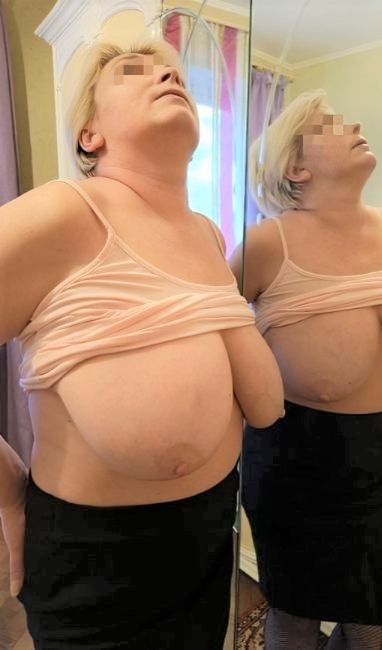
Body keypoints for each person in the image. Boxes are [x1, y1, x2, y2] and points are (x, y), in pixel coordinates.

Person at [0, 40, 284, 649]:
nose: (166, 75)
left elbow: (260, 403)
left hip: (209, 539)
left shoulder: (208, 234)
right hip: (96, 567)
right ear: (90, 134)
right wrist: (6, 492)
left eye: (175, 73)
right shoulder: (63, 213)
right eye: (135, 71)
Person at [230, 89, 382, 650]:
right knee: (296, 620)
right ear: (295, 167)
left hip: (380, 462)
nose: (352, 124)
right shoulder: (267, 244)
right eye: (329, 124)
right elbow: (211, 336)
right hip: (295, 464)